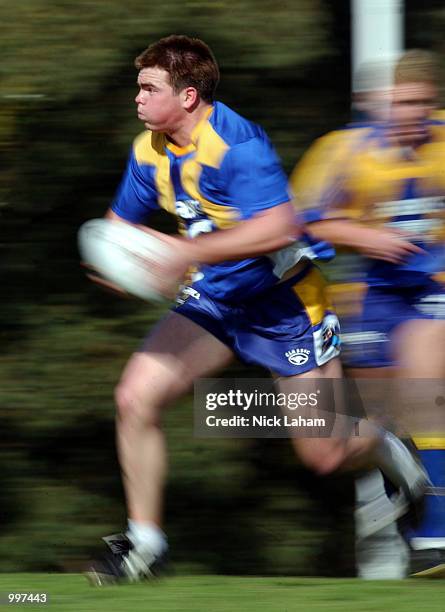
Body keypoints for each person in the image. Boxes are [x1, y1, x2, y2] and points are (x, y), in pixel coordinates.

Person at [85, 36, 428, 585]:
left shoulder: (237, 145)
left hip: (286, 306)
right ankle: (145, 546)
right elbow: (119, 225)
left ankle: (386, 443)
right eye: (139, 88)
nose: (138, 99)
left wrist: (186, 252)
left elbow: (280, 227)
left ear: (189, 95)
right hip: (216, 302)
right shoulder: (148, 149)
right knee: (134, 395)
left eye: (149, 88)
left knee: (325, 455)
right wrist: (121, 261)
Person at [290, 49, 445, 578]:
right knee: (374, 428)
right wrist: (366, 235)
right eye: (402, 102)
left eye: (422, 103)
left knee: (428, 385)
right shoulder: (345, 151)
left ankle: (434, 534)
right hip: (374, 295)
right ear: (384, 102)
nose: (411, 113)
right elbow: (302, 221)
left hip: (433, 291)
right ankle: (410, 510)